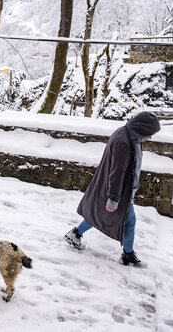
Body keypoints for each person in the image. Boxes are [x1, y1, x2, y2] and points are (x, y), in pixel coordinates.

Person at [64, 111, 161, 266]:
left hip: (114, 188)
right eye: (150, 133)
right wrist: (113, 198)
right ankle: (127, 254)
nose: (150, 137)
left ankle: (75, 234)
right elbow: (117, 172)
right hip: (119, 191)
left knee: (98, 214)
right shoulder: (124, 142)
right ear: (142, 129)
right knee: (129, 221)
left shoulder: (127, 134)